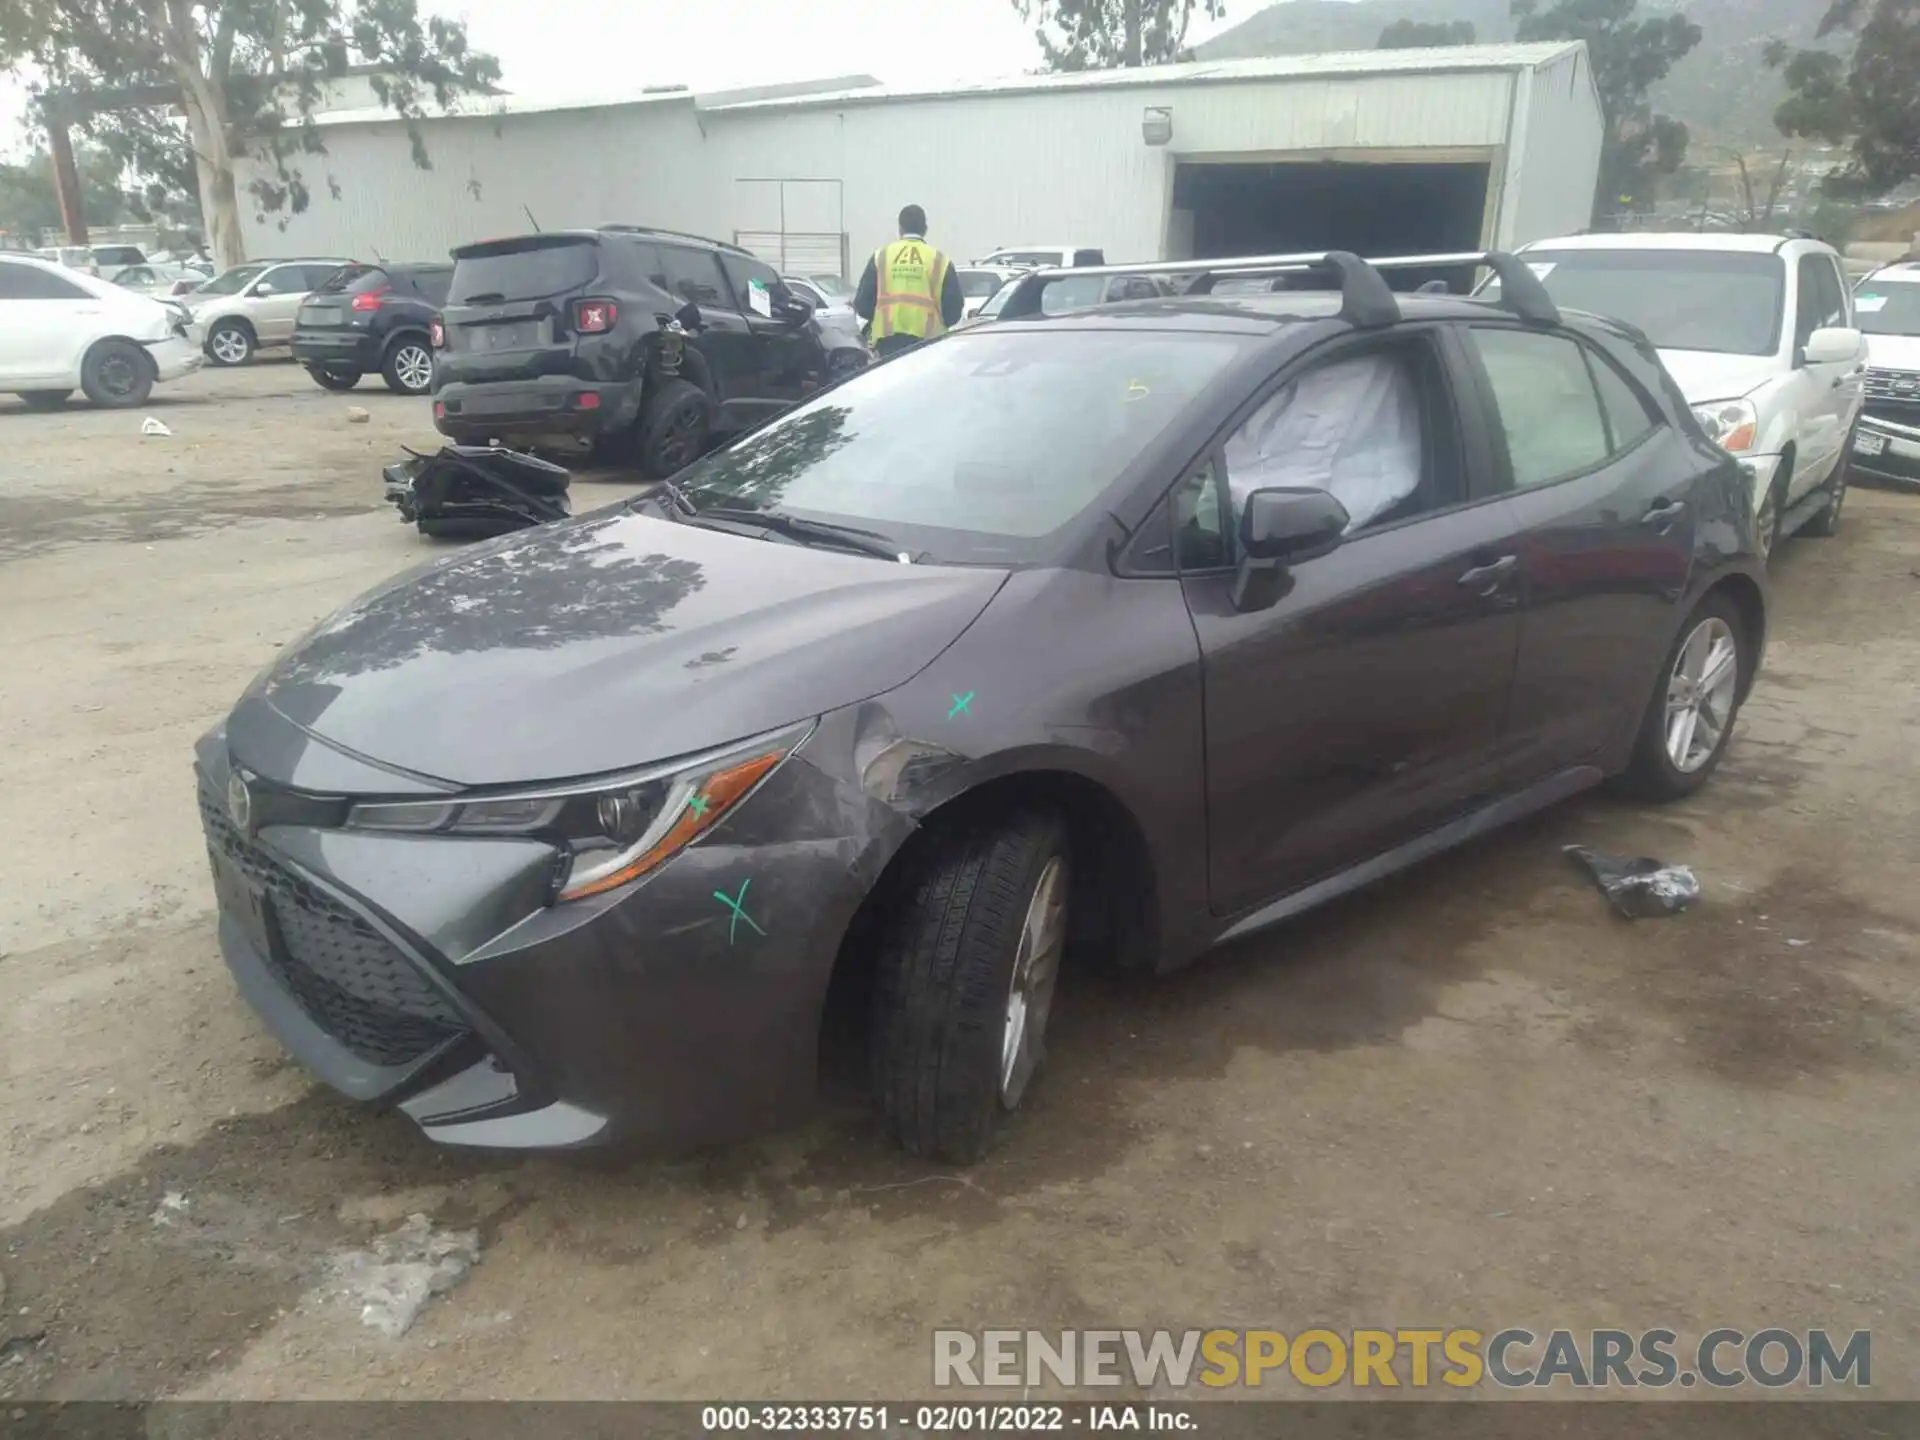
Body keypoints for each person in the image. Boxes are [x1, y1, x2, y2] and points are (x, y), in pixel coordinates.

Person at [855, 205, 966, 359]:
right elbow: (953, 312)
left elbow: (862, 305)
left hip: (887, 344)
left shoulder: (881, 256)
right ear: (925, 229)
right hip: (928, 345)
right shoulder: (939, 260)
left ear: (900, 228)